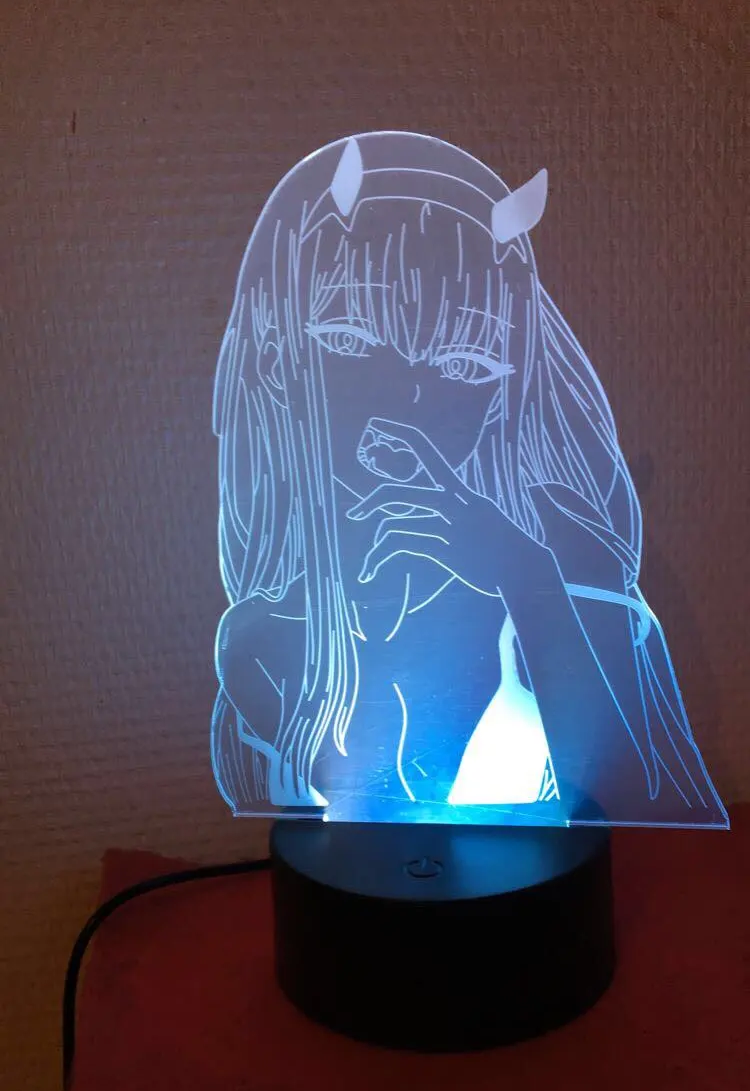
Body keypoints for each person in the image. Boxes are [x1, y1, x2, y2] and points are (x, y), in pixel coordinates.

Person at [211, 131, 727, 827]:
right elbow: (341, 836)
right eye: (350, 342)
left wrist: (528, 581)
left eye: (463, 365)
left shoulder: (568, 554)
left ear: (504, 392)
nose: (405, 404)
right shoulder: (263, 634)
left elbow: (649, 816)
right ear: (277, 360)